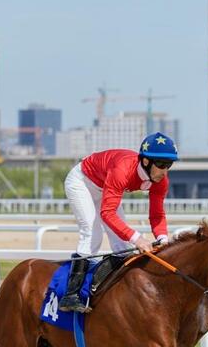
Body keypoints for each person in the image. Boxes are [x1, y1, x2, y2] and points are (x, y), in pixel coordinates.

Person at [58, 132, 178, 313]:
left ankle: (104, 290)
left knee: (122, 245)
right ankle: (71, 295)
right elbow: (107, 213)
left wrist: (162, 238)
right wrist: (138, 239)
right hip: (82, 182)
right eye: (161, 165)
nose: (165, 171)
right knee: (92, 233)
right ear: (146, 161)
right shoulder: (123, 169)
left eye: (169, 165)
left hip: (104, 187)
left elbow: (157, 215)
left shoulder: (161, 180)